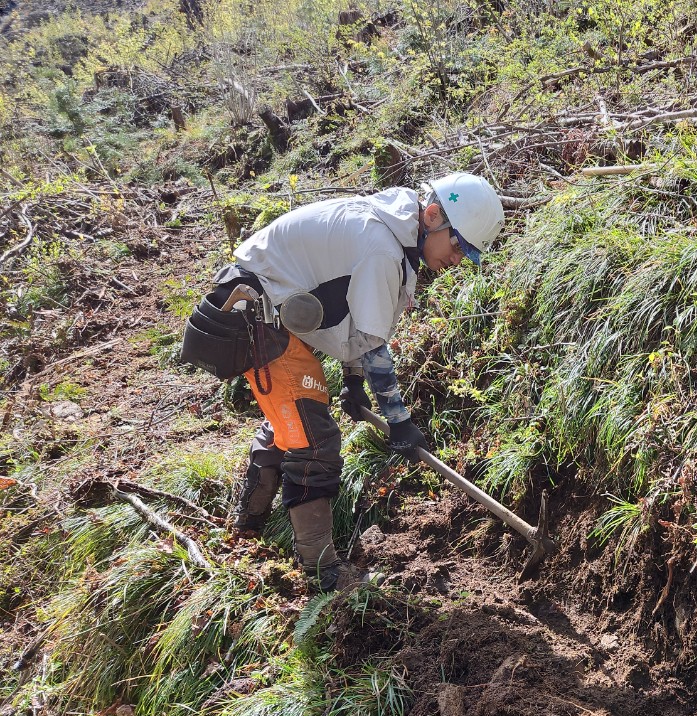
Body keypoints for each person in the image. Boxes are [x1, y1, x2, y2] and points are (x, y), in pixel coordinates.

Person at [203, 174, 505, 591]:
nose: (457, 260)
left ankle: (247, 527)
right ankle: (322, 572)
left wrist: (353, 382)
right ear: (433, 216)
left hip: (268, 314)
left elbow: (355, 323)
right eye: (458, 246)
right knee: (314, 438)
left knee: (295, 417)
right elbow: (375, 345)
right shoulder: (380, 246)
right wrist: (397, 420)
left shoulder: (390, 235)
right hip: (252, 314)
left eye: (466, 254)